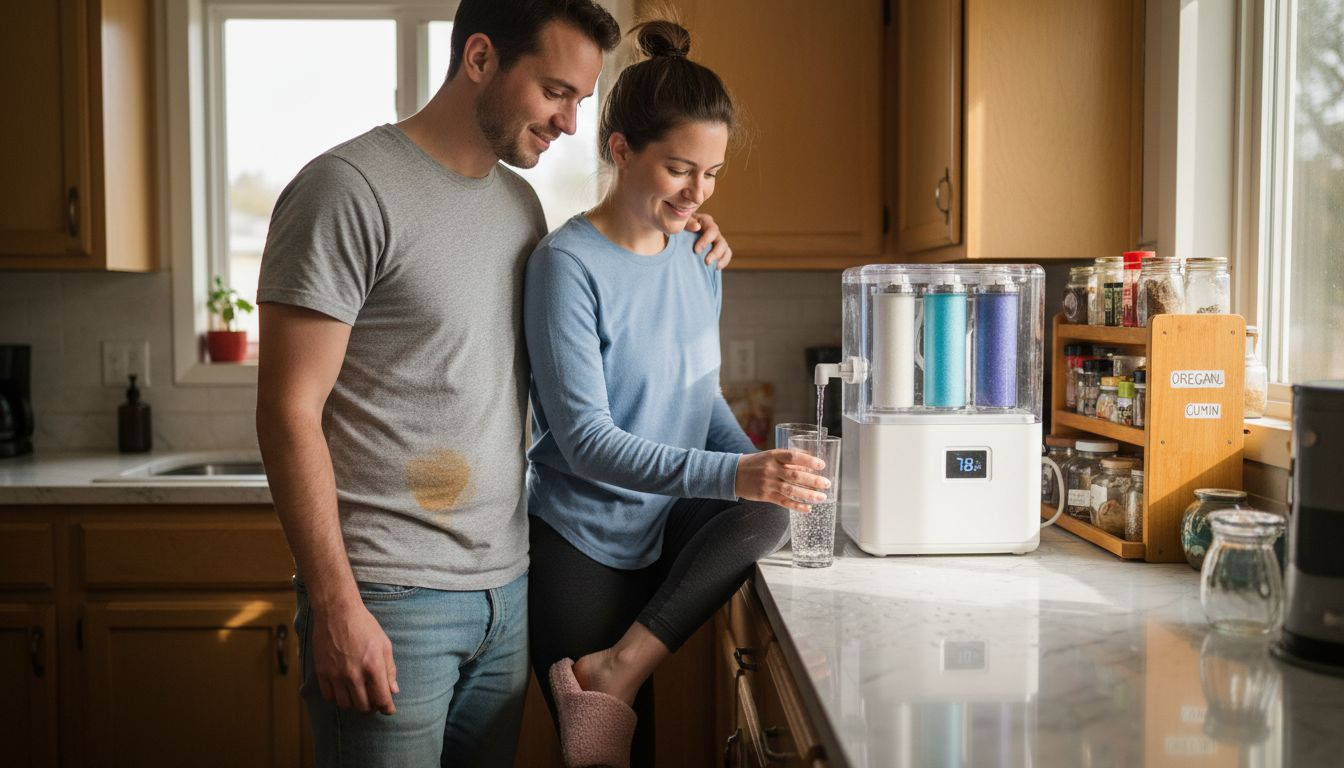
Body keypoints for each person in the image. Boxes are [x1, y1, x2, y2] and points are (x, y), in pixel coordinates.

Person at [254, 2, 733, 765]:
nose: (571, 122)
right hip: (390, 597)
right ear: (480, 58)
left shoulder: (520, 207)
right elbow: (288, 410)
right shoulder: (346, 189)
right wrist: (337, 605)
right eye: (555, 92)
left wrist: (682, 225)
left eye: (580, 98)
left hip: (506, 590)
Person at [524, 19, 832, 768]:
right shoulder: (567, 266)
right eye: (679, 169)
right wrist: (734, 473)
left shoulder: (700, 258)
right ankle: (612, 671)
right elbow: (585, 442)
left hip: (662, 532)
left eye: (714, 173)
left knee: (771, 511)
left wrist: (764, 468)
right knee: (606, 757)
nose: (699, 192)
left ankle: (621, 666)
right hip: (581, 547)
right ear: (620, 149)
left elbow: (700, 399)